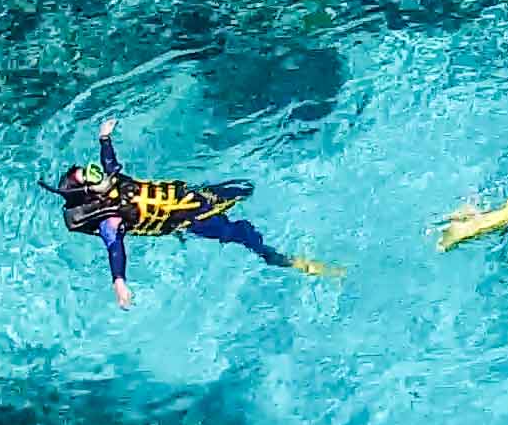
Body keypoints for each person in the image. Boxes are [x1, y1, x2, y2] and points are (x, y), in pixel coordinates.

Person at [55, 118, 334, 308]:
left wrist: (104, 137)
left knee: (245, 188)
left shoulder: (111, 180)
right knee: (241, 233)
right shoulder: (109, 220)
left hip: (195, 196)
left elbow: (109, 160)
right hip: (192, 220)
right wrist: (119, 283)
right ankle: (283, 260)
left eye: (92, 168)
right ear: (91, 193)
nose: (98, 172)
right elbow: (115, 250)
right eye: (92, 176)